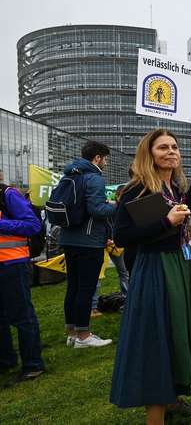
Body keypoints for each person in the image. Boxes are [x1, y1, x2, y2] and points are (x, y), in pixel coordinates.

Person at [110, 129, 191, 424]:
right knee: (158, 337)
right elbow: (123, 236)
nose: (171, 152)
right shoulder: (139, 189)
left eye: (174, 147)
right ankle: (156, 414)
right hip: (155, 269)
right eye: (163, 147)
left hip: (179, 264)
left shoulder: (172, 187)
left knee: (176, 332)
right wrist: (166, 221)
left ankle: (173, 399)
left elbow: (187, 208)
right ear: (149, 153)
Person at [60, 140, 116, 348]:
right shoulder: (94, 178)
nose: (106, 163)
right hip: (89, 241)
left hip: (68, 238)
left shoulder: (69, 175)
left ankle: (72, 333)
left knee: (73, 287)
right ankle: (84, 336)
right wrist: (117, 205)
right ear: (97, 158)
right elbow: (97, 210)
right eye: (105, 159)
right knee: (86, 288)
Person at [0, 182, 45, 382]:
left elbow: (33, 225)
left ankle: (33, 364)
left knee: (22, 315)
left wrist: (2, 224)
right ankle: (6, 360)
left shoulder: (8, 194)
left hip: (13, 264)